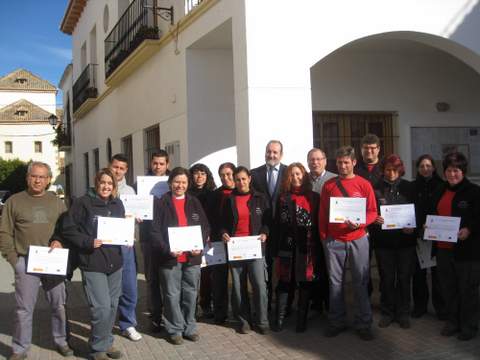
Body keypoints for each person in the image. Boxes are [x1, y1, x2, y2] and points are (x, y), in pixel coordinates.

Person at [0, 162, 72, 360]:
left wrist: (59, 240)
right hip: (25, 260)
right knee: (24, 309)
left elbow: (66, 228)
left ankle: (61, 341)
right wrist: (14, 260)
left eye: (42, 177)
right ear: (27, 178)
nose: (37, 180)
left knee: (59, 305)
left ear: (48, 180)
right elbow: (4, 233)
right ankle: (20, 348)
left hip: (52, 261)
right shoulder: (13, 201)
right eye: (34, 176)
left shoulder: (56, 201)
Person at [60, 168, 125, 360]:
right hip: (92, 261)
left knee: (113, 306)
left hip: (115, 262)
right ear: (97, 183)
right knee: (101, 307)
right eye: (103, 182)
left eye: (110, 183)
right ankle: (97, 349)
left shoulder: (118, 204)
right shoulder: (83, 203)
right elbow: (68, 229)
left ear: (114, 186)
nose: (106, 186)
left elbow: (121, 229)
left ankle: (107, 342)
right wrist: (88, 242)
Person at [320, 146, 377, 340]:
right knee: (335, 283)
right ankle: (337, 321)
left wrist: (361, 222)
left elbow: (372, 211)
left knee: (361, 281)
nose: (342, 166)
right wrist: (324, 236)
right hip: (334, 241)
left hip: (358, 239)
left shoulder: (364, 184)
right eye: (339, 163)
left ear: (354, 162)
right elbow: (323, 213)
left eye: (346, 162)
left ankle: (364, 323)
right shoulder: (329, 185)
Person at [150, 167, 210, 345]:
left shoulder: (194, 202)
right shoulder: (161, 203)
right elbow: (154, 232)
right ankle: (174, 329)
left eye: (183, 182)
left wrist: (199, 244)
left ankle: (189, 327)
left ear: (187, 184)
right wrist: (167, 248)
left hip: (192, 257)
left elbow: (206, 227)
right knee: (171, 294)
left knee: (191, 293)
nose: (180, 185)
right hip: (170, 258)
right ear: (170, 183)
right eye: (177, 182)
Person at [429, 152, 480, 341]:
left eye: (456, 170)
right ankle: (453, 322)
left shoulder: (474, 192)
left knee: (467, 290)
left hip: (467, 252)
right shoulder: (440, 190)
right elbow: (433, 212)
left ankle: (469, 326)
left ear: (463, 171)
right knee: (448, 288)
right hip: (443, 249)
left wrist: (469, 229)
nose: (452, 174)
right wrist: (429, 226)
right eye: (449, 170)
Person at [221, 166, 270, 334]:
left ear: (249, 178)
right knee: (237, 286)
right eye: (237, 179)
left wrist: (265, 232)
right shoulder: (230, 199)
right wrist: (224, 234)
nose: (240, 182)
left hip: (255, 247)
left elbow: (268, 221)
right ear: (234, 181)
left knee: (259, 285)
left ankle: (262, 321)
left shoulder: (260, 198)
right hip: (236, 248)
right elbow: (223, 223)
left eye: (243, 179)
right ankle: (244, 320)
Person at [370, 155, 416, 329]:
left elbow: (417, 212)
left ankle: (404, 313)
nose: (391, 173)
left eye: (395, 170)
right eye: (388, 169)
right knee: (387, 279)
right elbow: (370, 212)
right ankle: (387, 312)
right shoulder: (375, 189)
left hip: (406, 243)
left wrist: (414, 227)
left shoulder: (409, 187)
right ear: (383, 170)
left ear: (400, 170)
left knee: (404, 278)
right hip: (384, 244)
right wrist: (375, 219)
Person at [273, 163, 320, 333]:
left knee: (305, 283)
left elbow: (318, 223)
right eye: (292, 175)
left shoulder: (314, 197)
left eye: (298, 174)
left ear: (304, 175)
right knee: (285, 281)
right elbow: (278, 224)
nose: (296, 177)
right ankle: (278, 320)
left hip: (307, 247)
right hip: (286, 246)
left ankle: (301, 321)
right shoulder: (283, 198)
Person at [251, 140, 287, 310]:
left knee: (283, 269)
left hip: (284, 230)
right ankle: (266, 305)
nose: (271, 155)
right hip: (262, 230)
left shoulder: (289, 172)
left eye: (275, 152)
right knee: (265, 269)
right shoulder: (255, 174)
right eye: (268, 151)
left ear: (281, 154)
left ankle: (284, 307)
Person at [109, 154, 141, 341]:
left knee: (129, 286)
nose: (118, 171)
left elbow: (137, 214)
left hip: (127, 244)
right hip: (106, 245)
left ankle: (127, 324)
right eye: (115, 167)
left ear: (126, 170)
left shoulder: (130, 191)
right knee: (109, 288)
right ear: (110, 166)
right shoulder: (100, 188)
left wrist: (138, 217)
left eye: (122, 168)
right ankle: (106, 322)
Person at [138, 150, 170, 332]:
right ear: (151, 163)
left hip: (168, 238)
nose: (157, 167)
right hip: (147, 236)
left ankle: (170, 315)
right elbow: (131, 206)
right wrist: (135, 215)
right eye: (155, 163)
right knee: (152, 279)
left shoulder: (173, 182)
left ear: (167, 164)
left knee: (169, 279)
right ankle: (155, 316)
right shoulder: (140, 183)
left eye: (161, 163)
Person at [411, 154, 445, 319]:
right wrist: (417, 228)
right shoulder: (412, 187)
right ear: (417, 168)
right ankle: (420, 306)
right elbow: (410, 211)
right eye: (422, 166)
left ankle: (441, 308)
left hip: (438, 236)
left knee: (438, 275)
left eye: (428, 166)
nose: (425, 169)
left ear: (433, 167)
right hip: (418, 236)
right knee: (418, 274)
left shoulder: (442, 186)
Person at [205, 162, 236, 324]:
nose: (226, 178)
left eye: (229, 174)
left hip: (237, 241)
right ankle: (220, 313)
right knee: (218, 278)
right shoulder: (214, 195)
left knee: (238, 279)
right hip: (217, 242)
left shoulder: (240, 192)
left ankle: (238, 313)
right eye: (222, 175)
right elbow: (209, 218)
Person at [307, 148, 335, 314]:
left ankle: (329, 302)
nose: (315, 162)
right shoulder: (303, 179)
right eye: (312, 159)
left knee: (329, 267)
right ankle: (315, 302)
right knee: (313, 267)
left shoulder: (334, 179)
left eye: (318, 159)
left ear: (325, 161)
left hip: (330, 231)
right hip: (310, 231)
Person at [189, 163, 216, 318]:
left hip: (207, 238)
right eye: (196, 173)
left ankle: (206, 304)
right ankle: (192, 306)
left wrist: (210, 234)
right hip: (190, 237)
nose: (200, 177)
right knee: (192, 274)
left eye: (203, 174)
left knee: (207, 273)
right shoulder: (187, 193)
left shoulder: (212, 193)